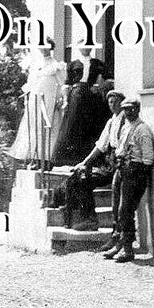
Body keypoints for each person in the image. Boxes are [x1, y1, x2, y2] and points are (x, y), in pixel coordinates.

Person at [63, 88, 125, 231]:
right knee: (78, 176)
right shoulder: (111, 122)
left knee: (84, 181)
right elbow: (101, 146)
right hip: (108, 162)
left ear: (121, 103)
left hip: (118, 164)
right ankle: (72, 217)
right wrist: (84, 162)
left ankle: (91, 220)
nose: (112, 105)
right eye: (109, 102)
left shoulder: (125, 121)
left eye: (115, 102)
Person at [104, 96, 154, 263]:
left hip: (134, 172)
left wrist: (136, 174)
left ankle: (127, 249)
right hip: (121, 170)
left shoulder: (142, 129)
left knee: (125, 210)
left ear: (138, 110)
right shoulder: (125, 126)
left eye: (131, 109)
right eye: (125, 109)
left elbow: (148, 159)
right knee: (116, 208)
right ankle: (118, 244)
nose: (128, 112)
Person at [8, 40, 65, 168]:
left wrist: (60, 99)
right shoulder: (35, 65)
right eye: (42, 46)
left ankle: (46, 160)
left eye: (46, 46)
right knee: (34, 128)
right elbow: (30, 84)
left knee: (48, 127)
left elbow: (62, 85)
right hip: (36, 100)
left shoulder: (57, 65)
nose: (44, 49)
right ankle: (33, 157)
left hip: (49, 100)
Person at [49, 56, 110, 167]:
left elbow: (107, 78)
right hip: (76, 98)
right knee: (73, 126)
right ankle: (68, 160)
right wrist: (66, 100)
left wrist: (98, 86)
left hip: (91, 97)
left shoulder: (96, 63)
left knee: (88, 127)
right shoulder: (73, 64)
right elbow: (67, 83)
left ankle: (87, 159)